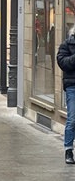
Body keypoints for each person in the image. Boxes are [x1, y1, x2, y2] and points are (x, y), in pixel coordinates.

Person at [57, 25, 75, 164]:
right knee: (72, 119)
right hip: (72, 87)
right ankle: (68, 150)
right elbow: (62, 63)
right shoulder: (67, 44)